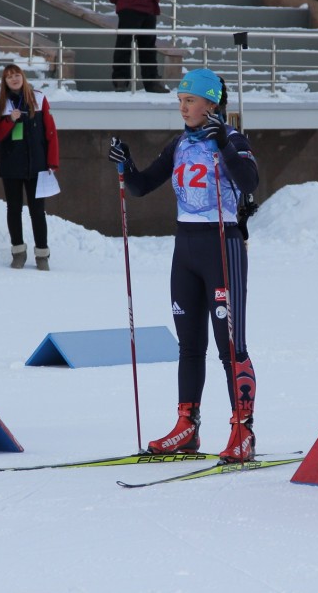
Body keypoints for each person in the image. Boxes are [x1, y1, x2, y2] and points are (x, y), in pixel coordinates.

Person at [108, 68, 260, 462]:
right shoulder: (179, 144)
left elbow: (249, 181)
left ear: (211, 103)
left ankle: (243, 431)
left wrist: (224, 144)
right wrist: (125, 165)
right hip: (186, 250)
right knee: (190, 347)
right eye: (179, 100)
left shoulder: (231, 138)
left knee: (231, 347)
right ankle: (187, 427)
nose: (183, 107)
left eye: (189, 100)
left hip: (221, 247)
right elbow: (142, 187)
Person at [0, 63, 59, 271]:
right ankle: (18, 252)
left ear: (23, 76)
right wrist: (10, 120)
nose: (14, 79)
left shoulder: (39, 98)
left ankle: (42, 254)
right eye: (9, 76)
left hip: (37, 165)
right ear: (5, 81)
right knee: (14, 209)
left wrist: (52, 161)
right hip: (12, 165)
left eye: (16, 74)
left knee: (38, 211)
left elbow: (51, 132)